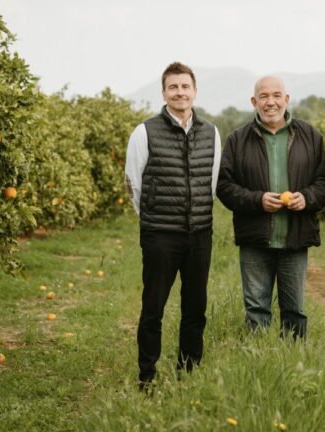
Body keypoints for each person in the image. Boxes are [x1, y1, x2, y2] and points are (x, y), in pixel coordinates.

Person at [124, 61, 221, 390]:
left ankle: (188, 372)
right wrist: (153, 219)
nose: (180, 92)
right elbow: (133, 184)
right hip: (160, 236)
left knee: (195, 308)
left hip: (199, 235)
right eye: (173, 87)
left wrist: (196, 217)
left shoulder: (211, 132)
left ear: (194, 91)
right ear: (164, 92)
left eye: (185, 86)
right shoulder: (145, 131)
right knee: (154, 308)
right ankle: (147, 376)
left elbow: (211, 183)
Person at [217, 76, 325, 339]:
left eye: (277, 95)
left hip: (295, 237)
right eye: (264, 97)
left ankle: (293, 367)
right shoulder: (237, 140)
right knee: (256, 310)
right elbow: (224, 186)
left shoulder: (310, 136)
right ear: (254, 101)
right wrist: (257, 201)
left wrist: (306, 198)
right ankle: (259, 365)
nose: (271, 102)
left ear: (286, 99)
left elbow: (324, 182)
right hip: (255, 239)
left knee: (294, 311)